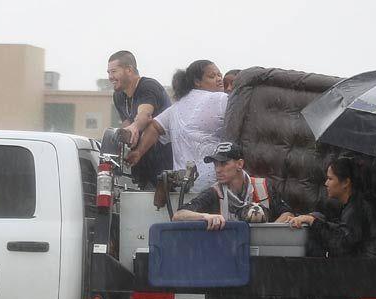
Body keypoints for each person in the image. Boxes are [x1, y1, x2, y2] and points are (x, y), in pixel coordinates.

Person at [129, 60, 227, 194]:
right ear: (197, 82)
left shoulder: (176, 107)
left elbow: (154, 127)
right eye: (212, 76)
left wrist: (139, 152)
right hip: (215, 185)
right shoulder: (221, 99)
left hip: (183, 186)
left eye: (220, 75)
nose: (219, 79)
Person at [173, 142, 294, 229]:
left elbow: (287, 213)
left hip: (263, 254)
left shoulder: (263, 186)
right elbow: (178, 216)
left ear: (239, 164)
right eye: (216, 165)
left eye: (223, 164)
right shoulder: (213, 193)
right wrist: (206, 217)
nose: (218, 170)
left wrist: (268, 233)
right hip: (229, 253)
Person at [288, 155, 376, 258]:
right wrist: (311, 218)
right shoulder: (357, 204)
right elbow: (340, 230)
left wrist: (313, 221)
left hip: (366, 269)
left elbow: (341, 245)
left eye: (330, 178)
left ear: (345, 183)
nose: (326, 183)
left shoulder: (357, 209)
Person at [107, 50, 173, 189]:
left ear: (129, 70)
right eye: (108, 73)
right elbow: (126, 124)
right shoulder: (119, 96)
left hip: (166, 166)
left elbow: (144, 115)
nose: (110, 77)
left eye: (114, 71)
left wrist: (134, 127)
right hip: (140, 165)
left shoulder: (148, 86)